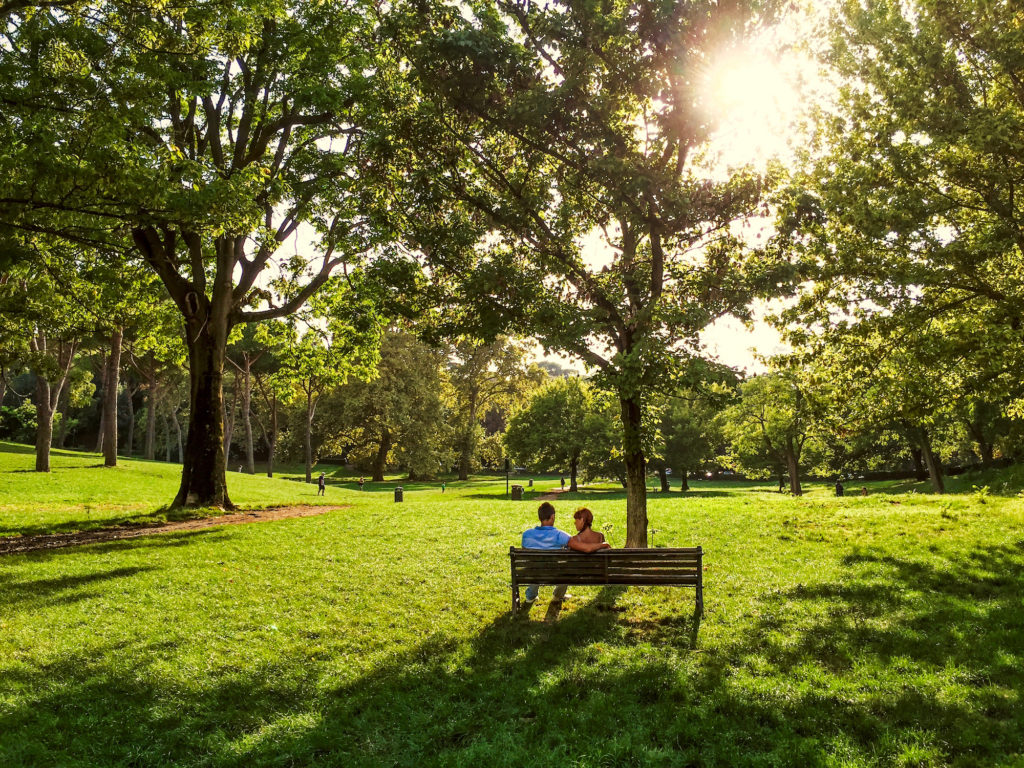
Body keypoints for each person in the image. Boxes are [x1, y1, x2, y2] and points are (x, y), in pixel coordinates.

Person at [520, 502, 607, 603]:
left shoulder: (527, 535)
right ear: (552, 517)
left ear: (540, 517)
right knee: (566, 567)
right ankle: (558, 595)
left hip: (532, 573)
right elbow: (586, 549)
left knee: (534, 566)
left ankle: (531, 596)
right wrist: (602, 545)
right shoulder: (560, 535)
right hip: (554, 574)